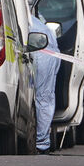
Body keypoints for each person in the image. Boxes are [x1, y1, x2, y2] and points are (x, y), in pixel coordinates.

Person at [30, 15, 61, 154]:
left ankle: (41, 142)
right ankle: (41, 143)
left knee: (41, 97)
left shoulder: (30, 19)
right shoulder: (38, 21)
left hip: (42, 53)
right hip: (47, 52)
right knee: (44, 98)